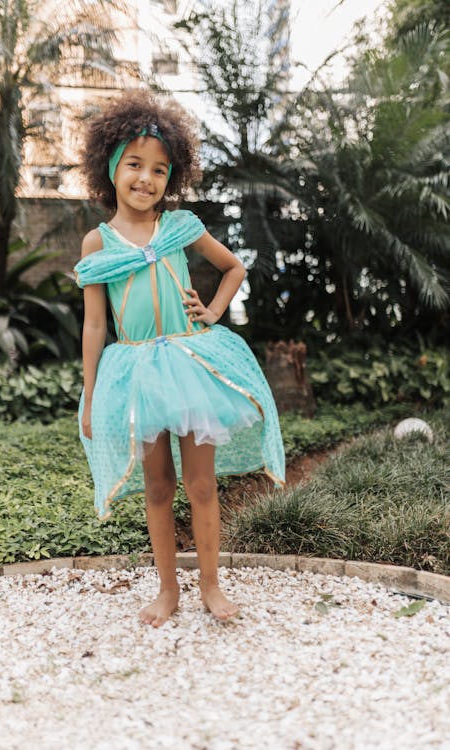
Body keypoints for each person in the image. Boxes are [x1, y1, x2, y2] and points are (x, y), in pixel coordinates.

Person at [73, 90, 285, 628]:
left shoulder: (180, 227)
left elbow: (234, 268)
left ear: (173, 178)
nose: (146, 179)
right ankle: (168, 589)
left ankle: (210, 585)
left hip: (191, 367)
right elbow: (95, 325)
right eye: (135, 165)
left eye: (160, 170)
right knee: (159, 486)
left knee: (202, 485)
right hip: (137, 373)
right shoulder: (96, 244)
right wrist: (92, 395)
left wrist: (212, 310)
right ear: (111, 168)